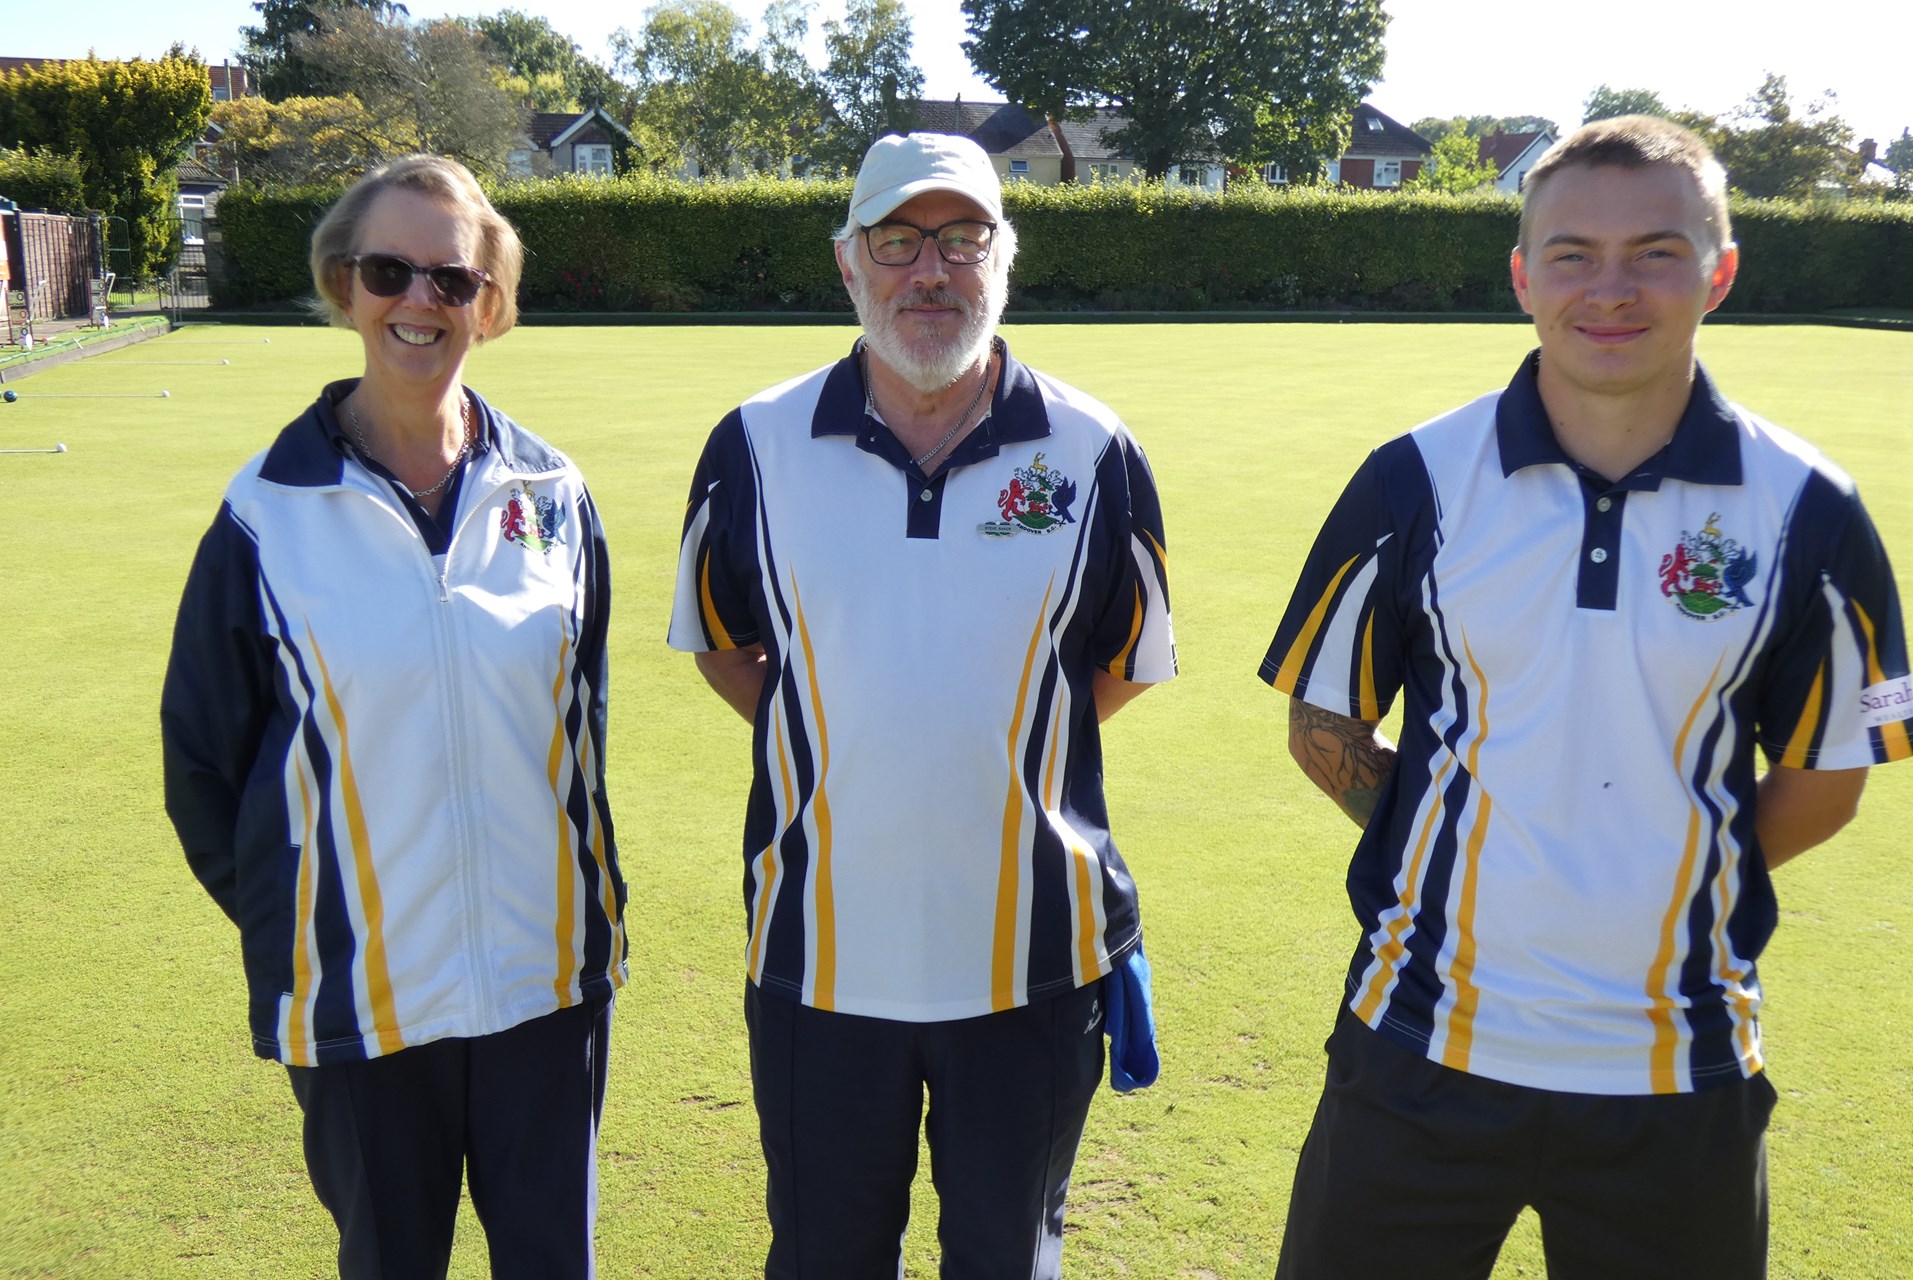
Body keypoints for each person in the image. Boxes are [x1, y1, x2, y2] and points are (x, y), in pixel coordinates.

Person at [1260, 115, 1913, 1280]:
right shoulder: (1415, 477)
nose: (1610, 287)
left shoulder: (1811, 509)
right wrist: (1460, 847)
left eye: (1656, 250)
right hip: (1418, 1053)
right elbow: (1325, 724)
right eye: (1572, 253)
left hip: (1680, 1070)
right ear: (1523, 275)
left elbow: (1828, 781)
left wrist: (1655, 862)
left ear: (1719, 269)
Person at [668, 132, 1176, 1280]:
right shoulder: (753, 444)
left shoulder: (1095, 452)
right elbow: (722, 643)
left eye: (961, 239)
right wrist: (844, 730)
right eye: (897, 241)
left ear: (1006, 256)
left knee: (1006, 1257)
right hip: (817, 963)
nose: (930, 272)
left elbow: (1129, 660)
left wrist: (992, 744)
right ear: (848, 262)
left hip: (1034, 967)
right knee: (824, 1256)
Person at [160, 154, 624, 1280]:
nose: (421, 300)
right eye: (389, 271)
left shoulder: (554, 498)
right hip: (360, 1002)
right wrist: (309, 910)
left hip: (545, 986)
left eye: (453, 280)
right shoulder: (264, 515)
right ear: (343, 284)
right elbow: (205, 770)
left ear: (491, 304)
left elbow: (580, 728)